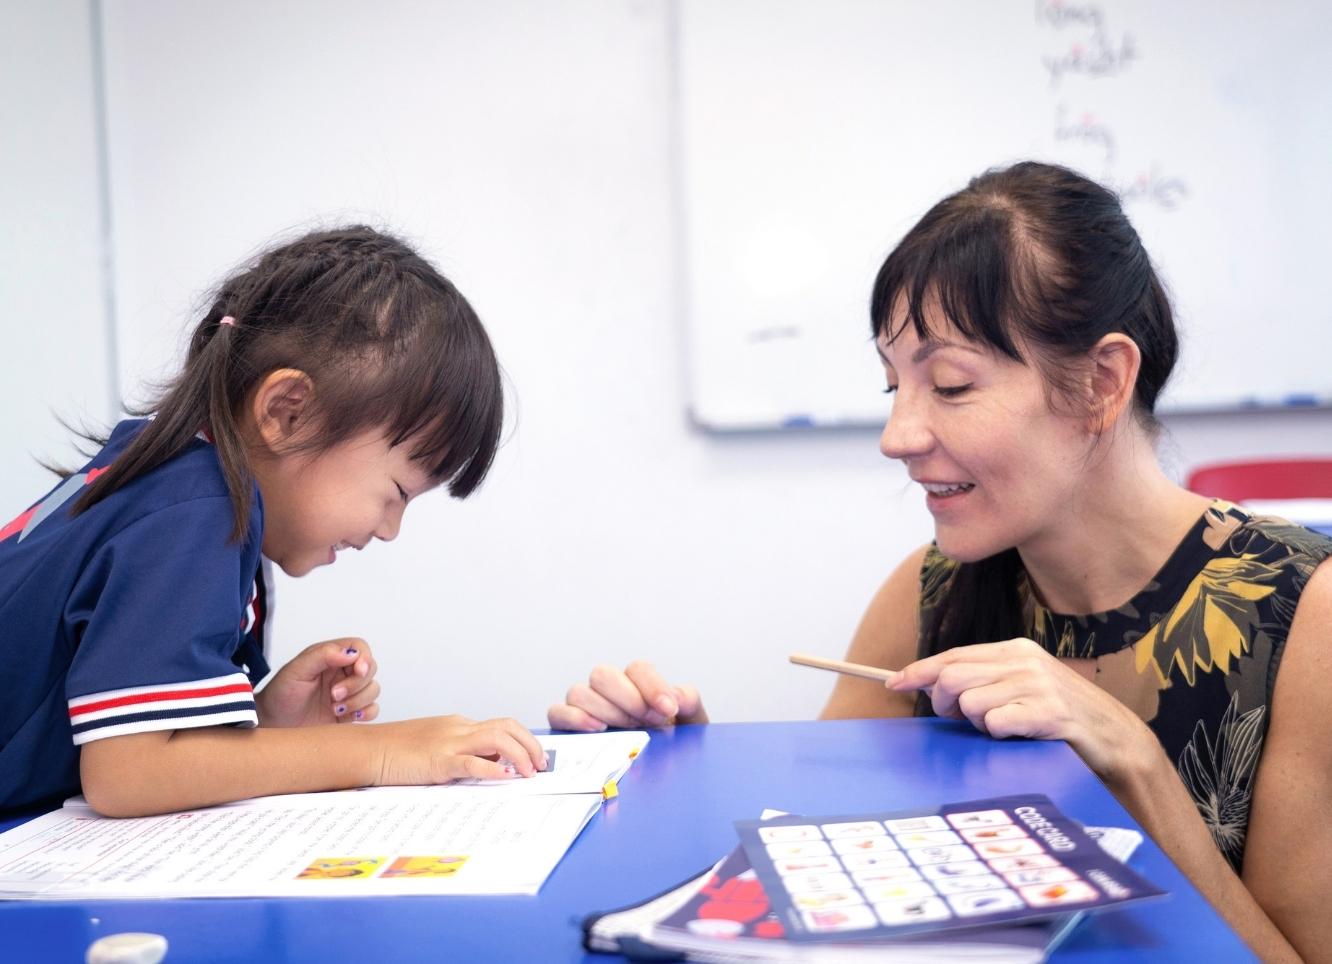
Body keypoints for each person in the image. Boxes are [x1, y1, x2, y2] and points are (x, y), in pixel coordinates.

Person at [547, 162, 1332, 961]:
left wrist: (1134, 762)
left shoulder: (1308, 615)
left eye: (951, 385)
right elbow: (803, 839)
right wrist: (685, 756)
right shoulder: (932, 592)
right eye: (894, 386)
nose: (899, 437)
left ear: (1102, 381)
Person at [1, 225, 545, 819]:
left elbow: (140, 749)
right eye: (395, 492)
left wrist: (266, 722)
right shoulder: (197, 507)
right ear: (287, 413)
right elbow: (127, 773)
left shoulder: (177, 480)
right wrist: (383, 750)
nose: (389, 529)